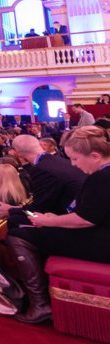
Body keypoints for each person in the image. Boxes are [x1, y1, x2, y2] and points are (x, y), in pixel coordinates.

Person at [6, 127, 110, 324]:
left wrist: (49, 221)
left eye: (76, 159)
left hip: (103, 241)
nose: (73, 164)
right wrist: (55, 220)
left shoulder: (102, 177)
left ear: (95, 156)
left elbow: (86, 219)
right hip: (101, 232)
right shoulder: (102, 173)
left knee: (19, 235)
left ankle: (40, 304)